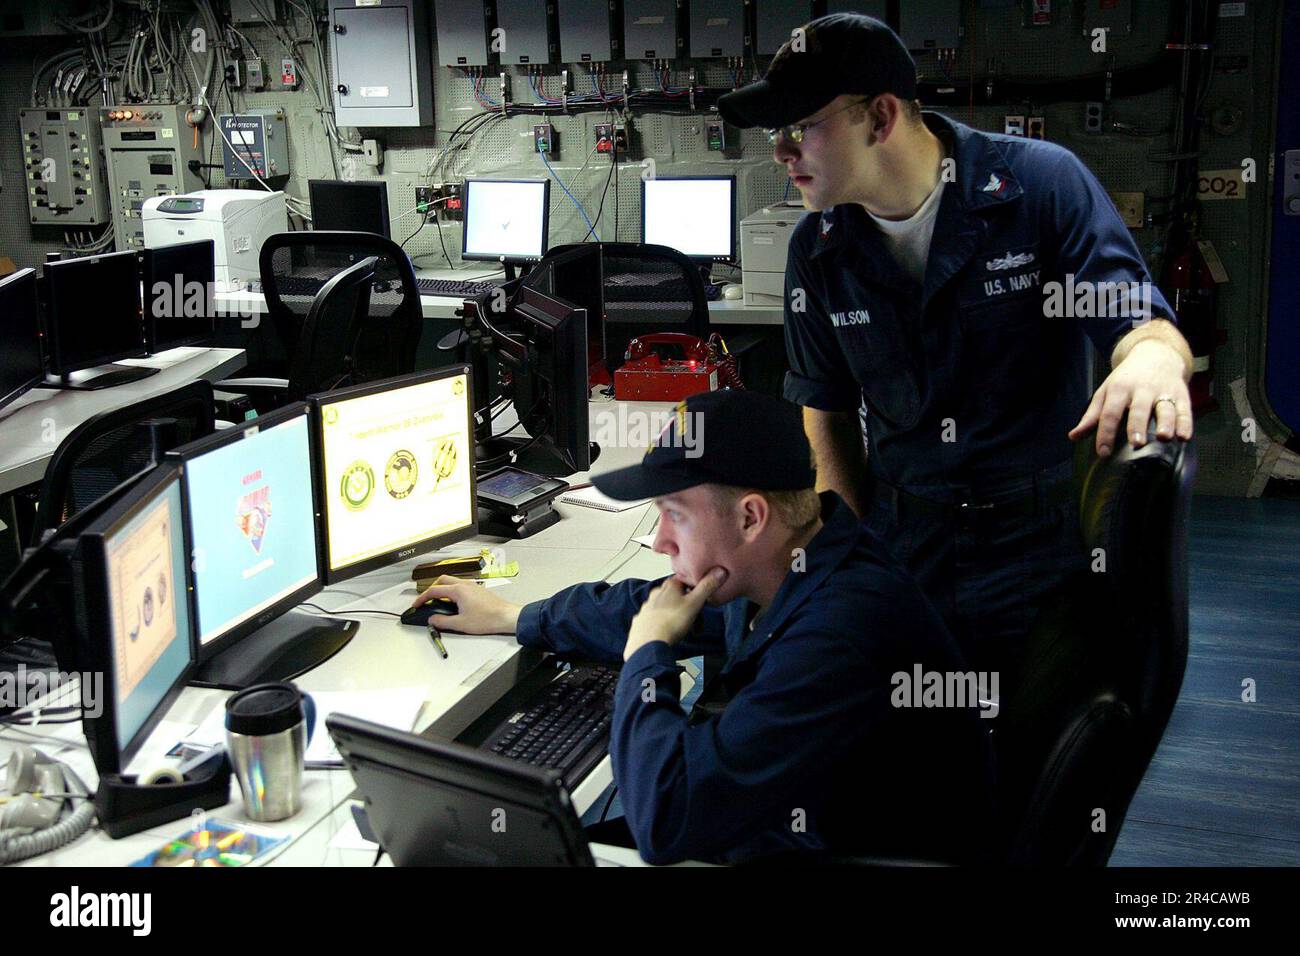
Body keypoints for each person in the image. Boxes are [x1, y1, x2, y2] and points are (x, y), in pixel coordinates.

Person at [717, 14, 1195, 680]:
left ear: (879, 118)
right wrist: (839, 553)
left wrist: (1151, 359)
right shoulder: (817, 250)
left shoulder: (1039, 185)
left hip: (1036, 545)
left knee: (1024, 745)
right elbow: (824, 412)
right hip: (905, 536)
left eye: (800, 128)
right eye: (777, 133)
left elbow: (1141, 320)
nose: (780, 153)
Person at [412, 390, 994, 865]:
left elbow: (668, 819)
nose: (661, 541)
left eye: (675, 515)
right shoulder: (798, 557)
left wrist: (648, 656)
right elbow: (654, 602)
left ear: (750, 517)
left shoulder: (837, 633)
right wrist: (517, 616)